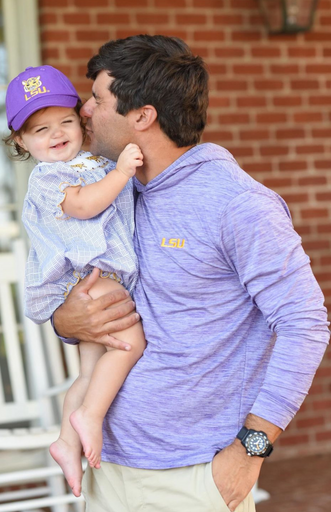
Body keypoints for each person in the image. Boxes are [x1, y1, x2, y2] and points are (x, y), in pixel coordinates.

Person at [47, 35, 331, 512]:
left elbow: (306, 324)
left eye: (97, 98)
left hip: (193, 479)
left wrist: (250, 453)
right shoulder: (109, 191)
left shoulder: (238, 204)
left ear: (143, 115)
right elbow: (82, 305)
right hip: (108, 467)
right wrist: (65, 322)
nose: (85, 111)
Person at [4, 65, 146, 498]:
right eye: (40, 129)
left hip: (92, 279)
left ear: (81, 120)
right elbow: (84, 206)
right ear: (21, 142)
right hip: (88, 277)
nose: (56, 134)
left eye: (64, 121)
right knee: (131, 344)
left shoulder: (92, 161)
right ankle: (91, 417)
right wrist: (121, 172)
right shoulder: (49, 179)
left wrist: (115, 168)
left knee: (87, 371)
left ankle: (66, 443)